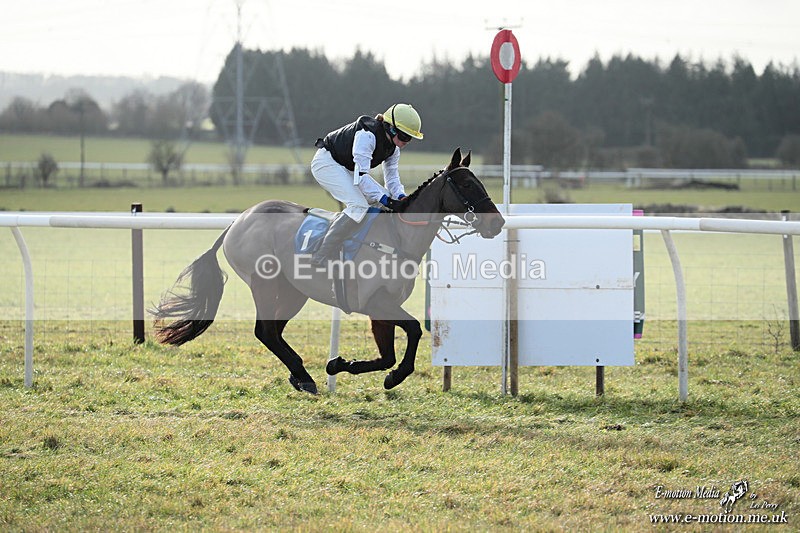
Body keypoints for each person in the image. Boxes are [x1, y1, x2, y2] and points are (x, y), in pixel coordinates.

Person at [309, 103, 424, 266]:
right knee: (359, 206)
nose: (406, 142)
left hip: (349, 169)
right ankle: (321, 254)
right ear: (391, 129)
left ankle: (369, 250)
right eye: (405, 136)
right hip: (326, 163)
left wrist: (399, 196)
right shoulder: (367, 135)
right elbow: (362, 177)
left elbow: (392, 177)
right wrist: (386, 200)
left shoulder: (394, 149)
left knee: (387, 204)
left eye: (410, 138)